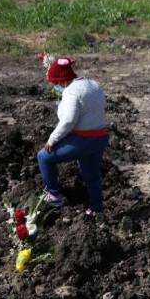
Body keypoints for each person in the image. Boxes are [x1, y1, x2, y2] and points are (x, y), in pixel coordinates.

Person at [37, 57, 109, 216]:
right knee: (92, 176)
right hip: (101, 136)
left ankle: (54, 195)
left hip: (83, 140)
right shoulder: (92, 84)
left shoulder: (71, 92)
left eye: (54, 83)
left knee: (44, 157)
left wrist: (52, 139)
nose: (54, 87)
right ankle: (96, 209)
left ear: (61, 81)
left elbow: (68, 120)